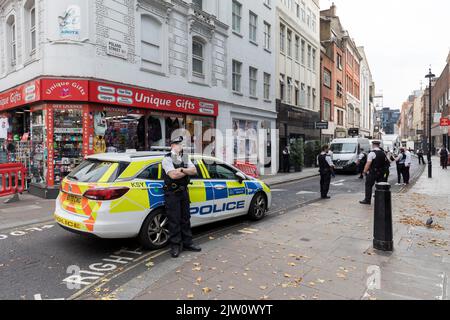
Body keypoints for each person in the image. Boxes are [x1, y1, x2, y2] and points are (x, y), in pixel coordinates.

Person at [162, 136, 201, 258]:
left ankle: (188, 243)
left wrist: (182, 170)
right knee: (174, 220)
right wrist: (184, 171)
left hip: (184, 192)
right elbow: (173, 175)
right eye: (179, 144)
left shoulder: (184, 157)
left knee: (185, 218)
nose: (181, 146)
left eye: (182, 144)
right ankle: (175, 246)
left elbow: (194, 171)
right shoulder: (167, 159)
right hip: (172, 193)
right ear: (172, 145)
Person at [360, 141, 390, 205]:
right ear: (379, 145)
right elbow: (387, 161)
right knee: (380, 186)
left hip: (373, 172)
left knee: (368, 185)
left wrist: (364, 171)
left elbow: (368, 163)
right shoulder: (383, 153)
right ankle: (380, 199)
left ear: (373, 145)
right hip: (381, 172)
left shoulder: (372, 153)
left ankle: (367, 200)